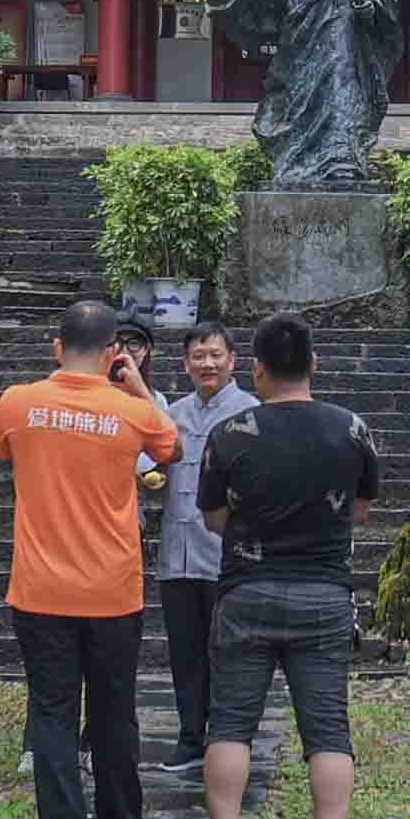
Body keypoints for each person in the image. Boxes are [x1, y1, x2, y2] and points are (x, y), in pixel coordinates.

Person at [0, 298, 180, 819]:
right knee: (114, 711)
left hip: (40, 589)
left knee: (51, 712)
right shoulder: (130, 410)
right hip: (113, 591)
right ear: (112, 354)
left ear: (56, 348)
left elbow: (3, 449)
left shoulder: (18, 403)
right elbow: (170, 449)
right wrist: (136, 391)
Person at [194, 312, 382, 819]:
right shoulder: (352, 429)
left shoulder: (230, 433)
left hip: (247, 594)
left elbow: (214, 517)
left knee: (229, 726)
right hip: (325, 597)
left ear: (257, 371)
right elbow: (359, 510)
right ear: (314, 367)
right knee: (327, 731)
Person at [148, 320, 256, 772]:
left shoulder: (251, 412)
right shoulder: (171, 414)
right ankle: (190, 738)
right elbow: (153, 473)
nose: (207, 363)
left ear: (233, 360)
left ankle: (228, 740)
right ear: (185, 363)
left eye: (215, 355)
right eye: (198, 356)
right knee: (184, 651)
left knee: (230, 652)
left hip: (229, 557)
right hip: (178, 553)